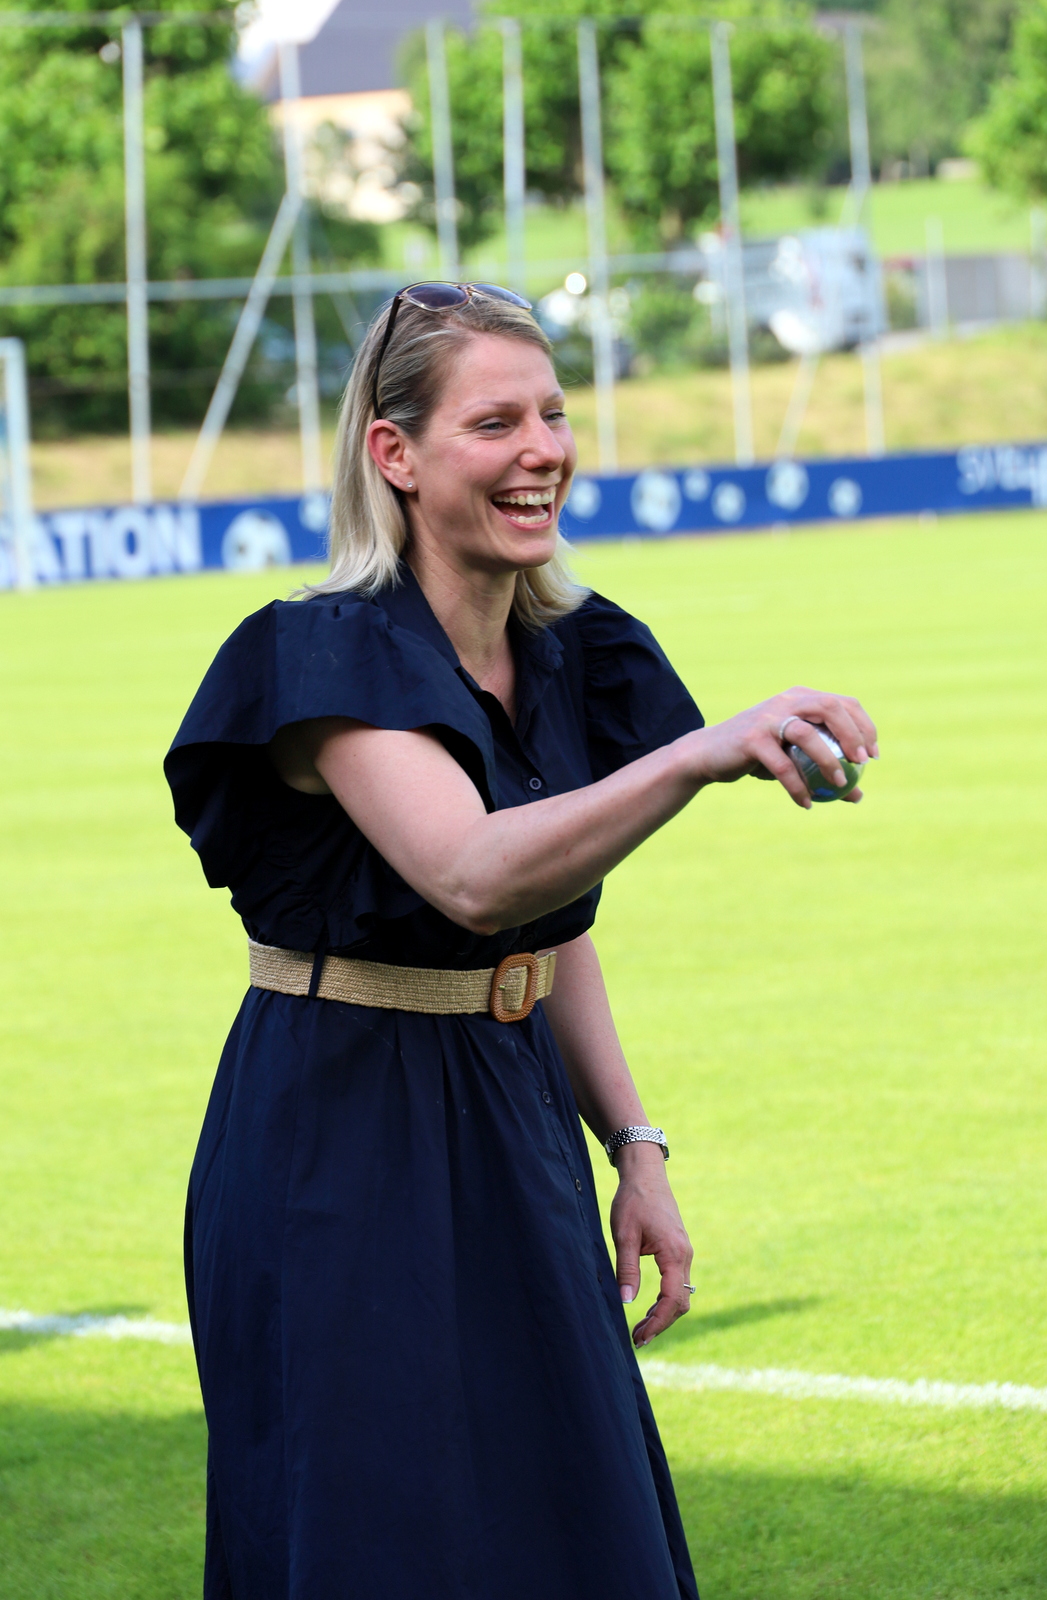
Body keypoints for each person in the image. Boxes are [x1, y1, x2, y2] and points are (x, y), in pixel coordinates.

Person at [165, 281, 877, 1600]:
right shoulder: (324, 655)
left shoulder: (574, 652)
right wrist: (701, 753)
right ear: (396, 453)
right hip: (342, 1128)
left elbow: (551, 921)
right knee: (385, 1538)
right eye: (494, 423)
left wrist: (637, 1147)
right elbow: (473, 875)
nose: (542, 448)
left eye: (552, 413)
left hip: (512, 1110)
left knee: (575, 1515)